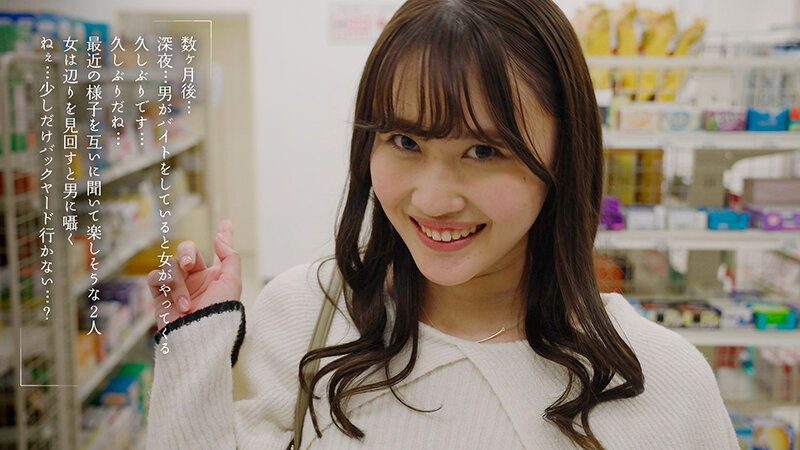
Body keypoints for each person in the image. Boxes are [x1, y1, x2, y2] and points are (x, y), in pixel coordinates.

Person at [145, 0, 740, 449]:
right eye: (405, 141)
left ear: (564, 155)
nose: (432, 199)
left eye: (483, 151)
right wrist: (193, 347)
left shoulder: (663, 380)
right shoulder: (303, 317)